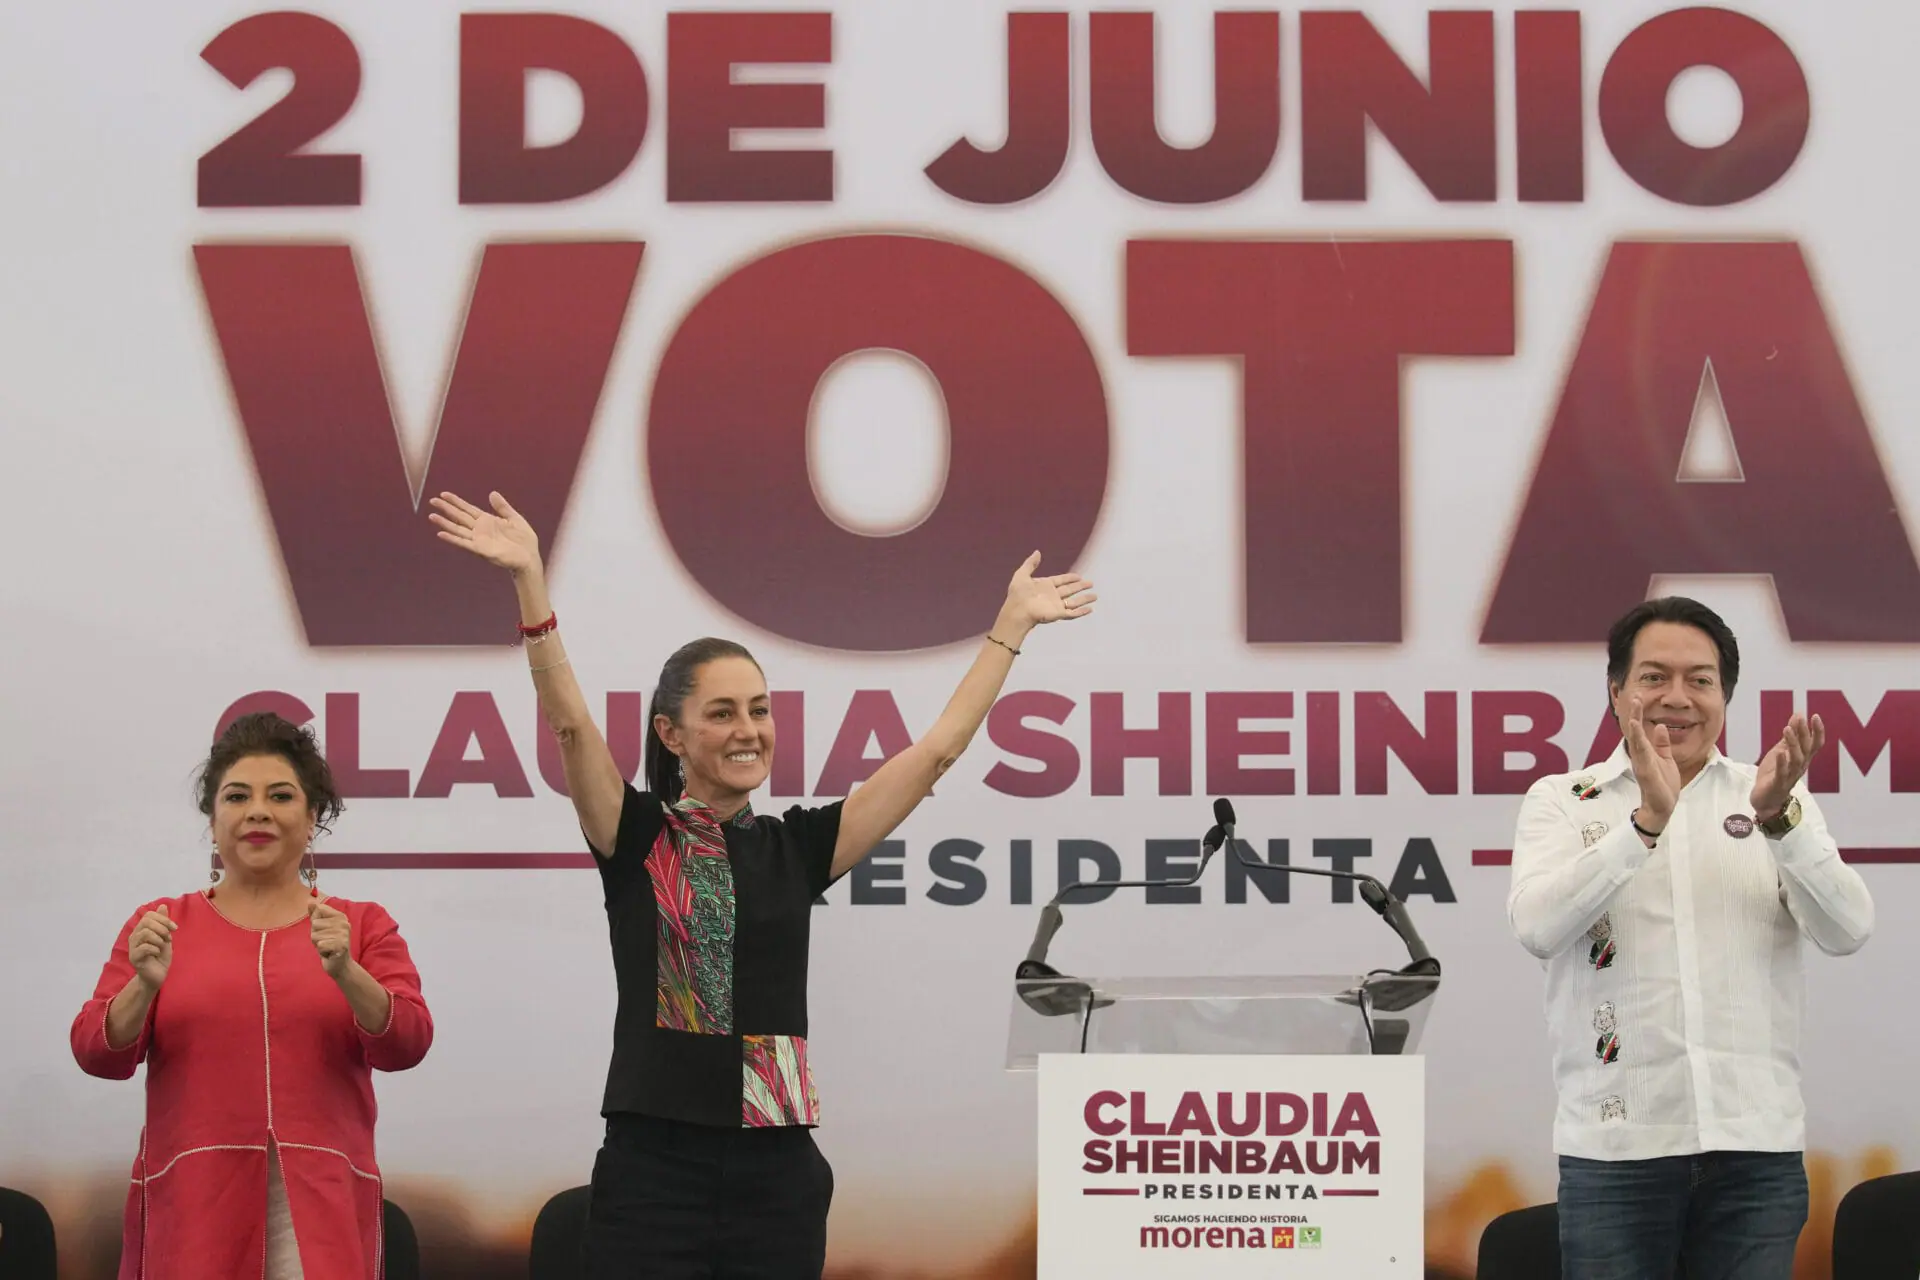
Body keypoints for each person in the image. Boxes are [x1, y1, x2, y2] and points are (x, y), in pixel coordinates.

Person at [429, 489, 1095, 1279]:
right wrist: (530, 586)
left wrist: (1010, 628)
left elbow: (936, 752)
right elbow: (571, 722)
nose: (749, 730)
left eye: (760, 709)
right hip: (653, 1170)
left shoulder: (801, 846)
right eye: (722, 714)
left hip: (778, 1173)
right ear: (671, 735)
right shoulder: (636, 834)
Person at [1506, 597, 1874, 1280]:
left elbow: (1848, 929)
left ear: (1725, 697)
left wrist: (1780, 823)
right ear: (1616, 692)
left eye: (1700, 680)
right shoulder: (1564, 799)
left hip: (1755, 1157)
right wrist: (1644, 822)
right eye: (1654, 677)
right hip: (1615, 1154)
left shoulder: (1770, 796)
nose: (1677, 697)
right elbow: (1537, 925)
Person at [71, 713, 433, 1279]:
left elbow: (407, 1041)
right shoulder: (160, 924)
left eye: (281, 796)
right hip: (193, 1214)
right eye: (237, 796)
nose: (258, 811)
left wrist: (347, 972)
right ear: (213, 822)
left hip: (319, 1214)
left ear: (312, 818)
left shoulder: (360, 925)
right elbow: (96, 1052)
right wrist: (143, 985)